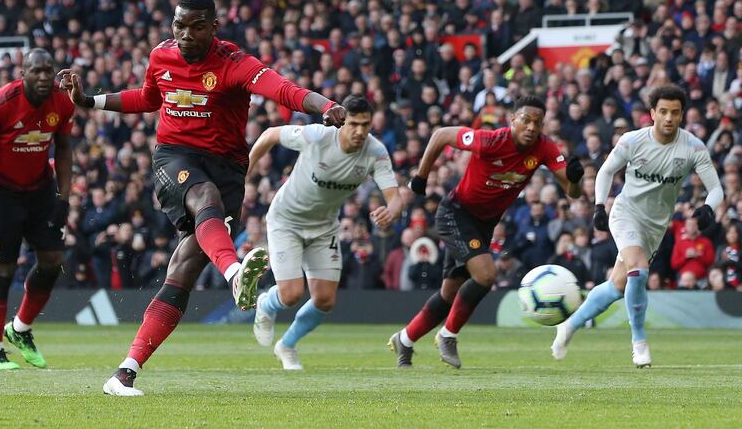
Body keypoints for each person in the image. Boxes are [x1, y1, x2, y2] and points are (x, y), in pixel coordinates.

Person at [58, 0, 346, 395]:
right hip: (174, 157)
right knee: (203, 197)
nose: (186, 34)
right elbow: (148, 98)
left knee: (184, 271)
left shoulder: (234, 63)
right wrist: (90, 101)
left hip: (228, 168)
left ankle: (124, 372)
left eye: (196, 27)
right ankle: (233, 272)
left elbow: (283, 89)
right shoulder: (162, 55)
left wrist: (324, 105)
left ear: (214, 27)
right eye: (180, 25)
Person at [389, 95, 584, 368]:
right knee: (486, 274)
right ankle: (448, 335)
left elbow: (572, 192)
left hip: (484, 223)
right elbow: (441, 134)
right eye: (525, 120)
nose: (530, 127)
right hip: (456, 213)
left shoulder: (545, 148)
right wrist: (420, 177)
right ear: (512, 120)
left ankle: (405, 340)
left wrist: (576, 179)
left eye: (537, 123)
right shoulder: (491, 140)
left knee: (448, 294)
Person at [552, 85, 723, 367]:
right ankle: (639, 341)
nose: (669, 118)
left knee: (619, 286)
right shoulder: (632, 141)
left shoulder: (693, 146)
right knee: (639, 269)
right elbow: (606, 171)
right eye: (664, 112)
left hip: (656, 227)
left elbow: (716, 188)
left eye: (675, 113)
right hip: (626, 213)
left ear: (682, 116)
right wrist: (598, 205)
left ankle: (569, 325)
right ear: (652, 114)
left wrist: (708, 207)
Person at [247, 95, 401, 370]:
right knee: (292, 294)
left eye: (365, 125)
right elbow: (270, 134)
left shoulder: (375, 152)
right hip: (286, 220)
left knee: (325, 300)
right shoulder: (318, 136)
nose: (359, 131)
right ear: (344, 123)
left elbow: (395, 196)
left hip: (324, 227)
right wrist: (246, 171)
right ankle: (266, 304)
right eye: (354, 124)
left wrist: (392, 210)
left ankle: (287, 345)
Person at [0, 49, 73, 370]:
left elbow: (65, 148)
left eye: (48, 71)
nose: (43, 77)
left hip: (40, 191)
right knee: (3, 267)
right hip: (1, 193)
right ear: (22, 73)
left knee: (53, 261)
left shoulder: (62, 102)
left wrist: (64, 199)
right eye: (36, 71)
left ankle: (21, 328)